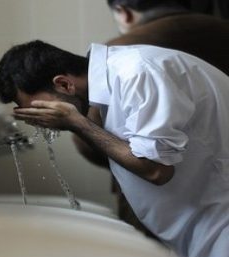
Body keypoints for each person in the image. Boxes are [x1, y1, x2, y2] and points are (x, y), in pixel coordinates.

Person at [0, 40, 229, 257]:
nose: (40, 119)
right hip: (203, 228)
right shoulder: (108, 87)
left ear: (64, 84)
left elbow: (156, 169)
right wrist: (78, 122)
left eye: (38, 108)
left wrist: (77, 123)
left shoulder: (138, 72)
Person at [73, 0, 229, 239]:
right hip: (222, 185)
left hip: (160, 193)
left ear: (123, 13)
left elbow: (89, 142)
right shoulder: (222, 30)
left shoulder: (121, 52)